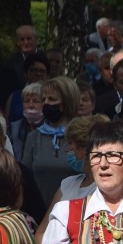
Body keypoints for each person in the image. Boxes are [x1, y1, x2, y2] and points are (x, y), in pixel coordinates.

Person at [22, 75, 81, 206]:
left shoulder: (81, 136)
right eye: (43, 99)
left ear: (67, 102)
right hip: (40, 210)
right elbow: (25, 178)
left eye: (52, 99)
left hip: (74, 209)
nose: (46, 103)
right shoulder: (33, 137)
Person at [8, 81, 44, 161]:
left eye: (36, 101)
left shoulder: (51, 128)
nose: (30, 105)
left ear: (44, 103)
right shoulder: (14, 128)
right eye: (26, 101)